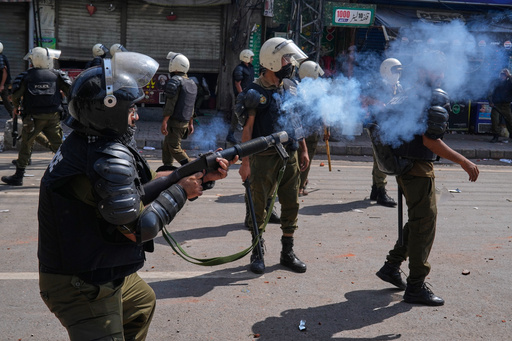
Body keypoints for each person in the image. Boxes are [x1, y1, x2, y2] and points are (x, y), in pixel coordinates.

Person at [37, 51, 235, 340]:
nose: (136, 116)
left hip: (96, 265)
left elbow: (141, 189)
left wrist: (194, 175)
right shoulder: (104, 156)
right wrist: (181, 190)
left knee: (141, 303)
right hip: (80, 282)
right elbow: (139, 229)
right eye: (131, 110)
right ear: (109, 110)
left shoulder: (88, 141)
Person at [372, 50, 479, 306]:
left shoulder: (408, 93)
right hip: (417, 170)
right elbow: (430, 140)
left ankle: (392, 265)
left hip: (405, 167)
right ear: (423, 70)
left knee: (419, 221)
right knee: (424, 225)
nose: (441, 74)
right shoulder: (425, 96)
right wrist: (463, 161)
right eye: (436, 69)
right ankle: (416, 286)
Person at [238, 37, 309, 274]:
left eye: (289, 58)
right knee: (258, 206)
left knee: (291, 204)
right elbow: (247, 129)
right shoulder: (253, 92)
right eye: (285, 58)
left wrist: (304, 150)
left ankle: (287, 252)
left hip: (289, 156)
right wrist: (245, 162)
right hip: (263, 158)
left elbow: (297, 120)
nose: (289, 63)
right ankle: (257, 252)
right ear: (271, 61)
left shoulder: (290, 87)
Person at [1, 47, 71, 186]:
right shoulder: (57, 75)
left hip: (33, 118)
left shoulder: (27, 76)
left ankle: (18, 176)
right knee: (60, 146)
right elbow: (70, 91)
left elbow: (15, 95)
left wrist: (16, 107)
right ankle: (70, 174)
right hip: (53, 117)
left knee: (26, 145)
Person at [363, 58, 403, 207]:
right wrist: (378, 103)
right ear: (386, 70)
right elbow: (363, 98)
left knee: (378, 158)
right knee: (383, 157)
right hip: (377, 126)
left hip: (390, 125)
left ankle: (376, 189)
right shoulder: (376, 85)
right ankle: (381, 191)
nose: (397, 75)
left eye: (399, 72)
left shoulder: (398, 86)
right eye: (395, 71)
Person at [296, 60, 328, 196]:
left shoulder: (295, 88)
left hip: (298, 131)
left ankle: (299, 183)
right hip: (311, 131)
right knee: (306, 159)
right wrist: (327, 130)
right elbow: (323, 111)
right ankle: (300, 185)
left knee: (297, 158)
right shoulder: (318, 90)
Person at [160, 51, 197, 167]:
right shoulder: (191, 83)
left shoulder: (175, 81)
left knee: (174, 147)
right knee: (167, 145)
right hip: (184, 122)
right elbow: (191, 105)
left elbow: (171, 103)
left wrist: (165, 121)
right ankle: (167, 167)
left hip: (175, 122)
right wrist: (191, 122)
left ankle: (192, 168)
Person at [226, 49, 254, 144]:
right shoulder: (239, 69)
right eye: (251, 57)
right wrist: (242, 95)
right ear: (245, 57)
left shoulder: (250, 67)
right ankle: (230, 135)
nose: (252, 59)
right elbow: (238, 84)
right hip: (242, 96)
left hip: (249, 95)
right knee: (237, 114)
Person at [487, 68, 512, 143]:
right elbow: (490, 92)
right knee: (495, 120)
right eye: (501, 75)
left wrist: (510, 76)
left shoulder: (509, 82)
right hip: (496, 105)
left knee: (510, 121)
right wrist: (490, 101)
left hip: (506, 105)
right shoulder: (496, 82)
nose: (502, 77)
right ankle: (495, 136)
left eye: (504, 75)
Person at [0, 42, 14, 115]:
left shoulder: (0, 58)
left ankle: (13, 114)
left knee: (5, 99)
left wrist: (2, 85)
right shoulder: (2, 56)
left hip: (3, 82)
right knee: (5, 99)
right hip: (3, 82)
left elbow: (4, 72)